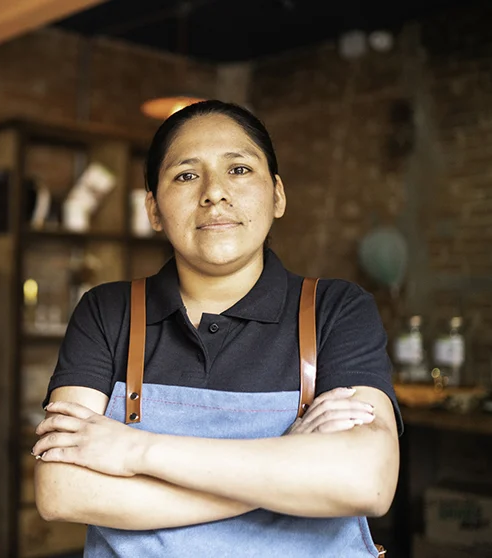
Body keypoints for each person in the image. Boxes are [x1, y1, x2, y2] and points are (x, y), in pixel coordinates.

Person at [32, 100, 401, 557]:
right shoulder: (109, 312)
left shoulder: (334, 310)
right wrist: (287, 463)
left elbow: (366, 481)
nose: (214, 193)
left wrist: (135, 452)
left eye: (240, 170)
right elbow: (62, 491)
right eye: (186, 175)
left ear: (278, 195)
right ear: (153, 209)